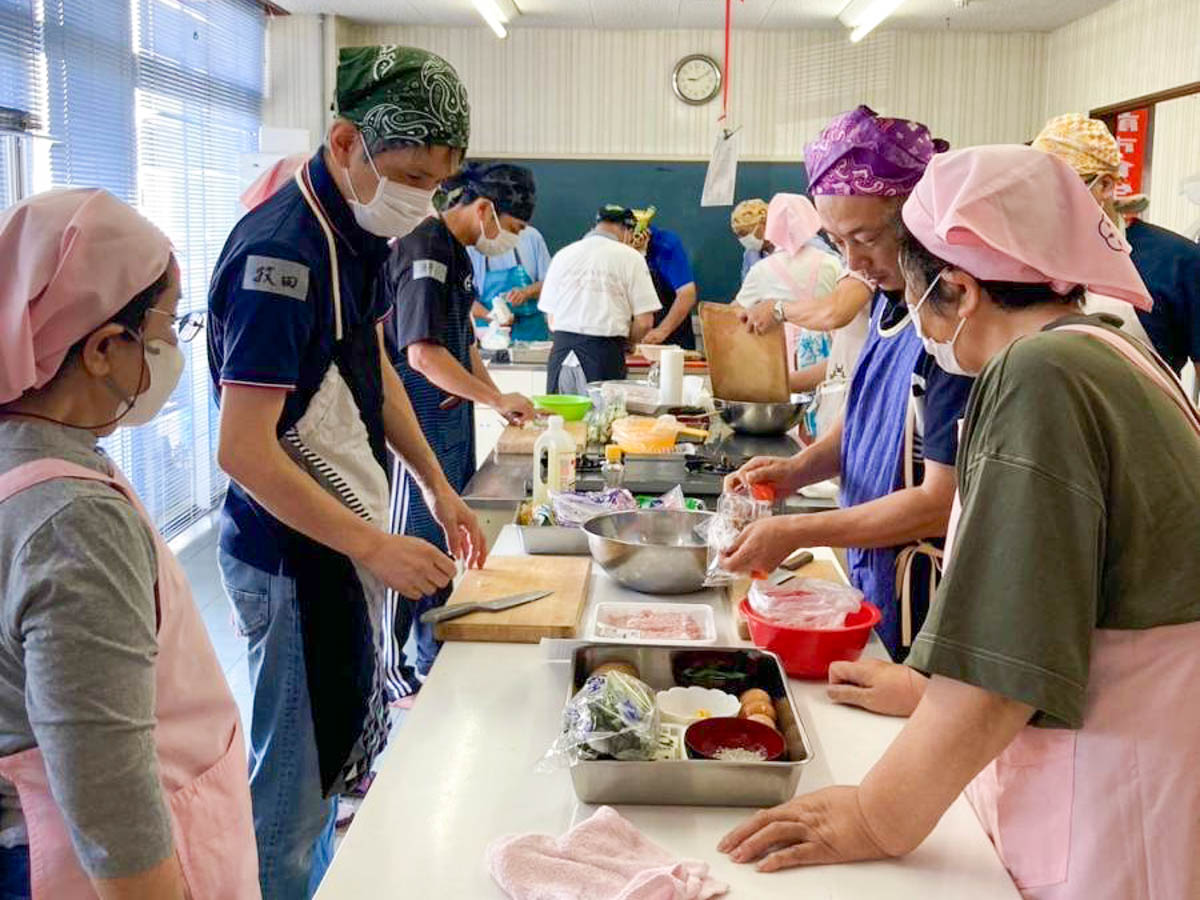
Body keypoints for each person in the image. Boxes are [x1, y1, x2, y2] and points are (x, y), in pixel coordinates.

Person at [718, 144, 1200, 900]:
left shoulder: (1041, 376)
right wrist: (924, 689)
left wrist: (876, 818)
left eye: (914, 293)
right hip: (1125, 751)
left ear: (960, 289)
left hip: (1105, 781)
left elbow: (1012, 653)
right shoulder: (1109, 347)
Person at [207, 46, 486, 898]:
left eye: (438, 183)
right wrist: (375, 543)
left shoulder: (358, 229)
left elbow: (372, 364)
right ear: (343, 143)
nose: (420, 199)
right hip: (290, 558)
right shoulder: (281, 256)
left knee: (326, 775)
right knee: (289, 795)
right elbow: (243, 448)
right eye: (405, 173)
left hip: (335, 544)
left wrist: (437, 489)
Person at [0, 189, 258, 898]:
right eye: (167, 328)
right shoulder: (73, 523)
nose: (174, 351)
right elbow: (108, 798)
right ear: (105, 349)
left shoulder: (34, 452)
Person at [723, 106, 972, 660]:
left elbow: (940, 501)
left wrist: (800, 533)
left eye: (866, 238)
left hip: (922, 593)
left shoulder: (953, 329)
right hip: (869, 569)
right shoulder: (888, 300)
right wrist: (794, 472)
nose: (853, 261)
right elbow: (864, 425)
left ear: (917, 221)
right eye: (837, 242)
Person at [378, 162, 536, 700]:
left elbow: (461, 343)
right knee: (409, 548)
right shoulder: (423, 249)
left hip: (449, 424)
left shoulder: (456, 256)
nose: (508, 241)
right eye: (511, 229)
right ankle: (390, 674)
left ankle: (430, 654)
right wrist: (492, 397)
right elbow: (421, 355)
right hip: (414, 422)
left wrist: (495, 400)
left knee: (447, 542)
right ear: (485, 209)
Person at [1033, 112, 1200, 373]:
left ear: (1106, 185)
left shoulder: (1177, 261)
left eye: (1058, 189)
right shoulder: (1026, 256)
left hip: (1140, 412)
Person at [539, 205, 661, 392]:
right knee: (602, 419)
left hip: (561, 353)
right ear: (627, 230)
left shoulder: (563, 255)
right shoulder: (631, 258)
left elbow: (551, 319)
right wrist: (628, 343)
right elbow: (645, 322)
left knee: (561, 418)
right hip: (604, 355)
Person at [468, 205, 553, 342]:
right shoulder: (473, 244)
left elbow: (551, 284)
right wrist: (492, 316)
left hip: (531, 332)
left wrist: (526, 292)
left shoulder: (531, 237)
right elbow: (463, 298)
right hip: (489, 334)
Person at [632, 212, 699, 349]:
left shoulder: (665, 244)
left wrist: (662, 331)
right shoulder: (610, 250)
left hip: (672, 340)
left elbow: (687, 293)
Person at [732, 198, 772, 282]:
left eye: (744, 234)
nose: (743, 239)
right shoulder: (750, 254)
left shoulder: (785, 251)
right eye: (739, 235)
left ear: (763, 226)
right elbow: (747, 285)